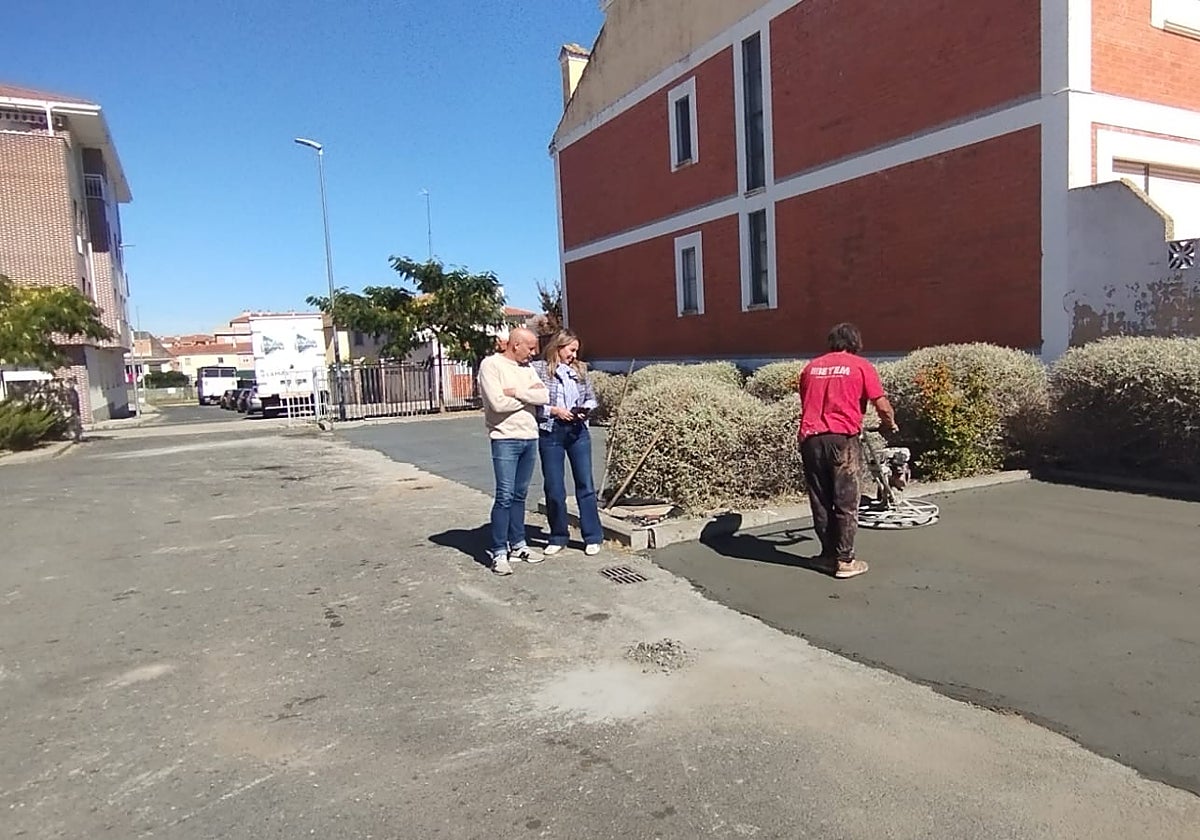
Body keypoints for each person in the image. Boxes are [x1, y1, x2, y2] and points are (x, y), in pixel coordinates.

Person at [798, 323, 898, 580]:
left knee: (821, 500)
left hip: (811, 439)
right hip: (842, 438)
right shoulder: (860, 366)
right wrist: (889, 425)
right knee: (846, 500)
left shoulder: (811, 368)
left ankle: (827, 555)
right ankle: (844, 561)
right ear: (856, 343)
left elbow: (807, 401)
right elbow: (883, 405)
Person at [477, 327, 549, 576]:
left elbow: (544, 395)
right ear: (515, 344)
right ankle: (499, 551)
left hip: (529, 436)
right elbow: (496, 403)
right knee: (505, 495)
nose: (533, 353)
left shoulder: (527, 369)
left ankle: (519, 544)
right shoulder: (491, 365)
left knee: (520, 495)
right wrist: (528, 398)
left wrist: (517, 393)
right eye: (530, 348)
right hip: (505, 438)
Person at [531, 330, 603, 557]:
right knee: (554, 487)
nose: (574, 355)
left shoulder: (580, 370)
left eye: (576, 351)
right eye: (571, 350)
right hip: (551, 432)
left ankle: (592, 536)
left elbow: (590, 397)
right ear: (558, 347)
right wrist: (554, 411)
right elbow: (532, 402)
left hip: (577, 431)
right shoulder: (539, 370)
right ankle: (558, 535)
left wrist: (585, 410)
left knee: (585, 485)